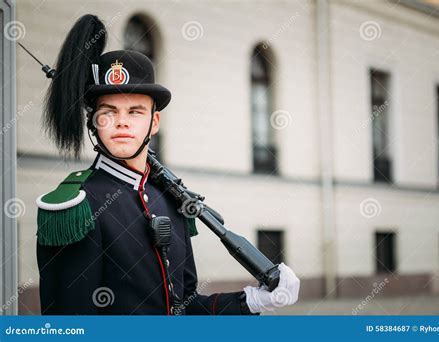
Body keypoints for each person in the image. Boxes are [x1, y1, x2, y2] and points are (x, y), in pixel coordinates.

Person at [36, 14, 300, 315]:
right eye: (108, 112)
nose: (122, 122)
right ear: (94, 122)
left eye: (135, 111)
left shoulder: (171, 201)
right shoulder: (75, 208)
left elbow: (184, 308)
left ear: (154, 121)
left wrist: (251, 301)